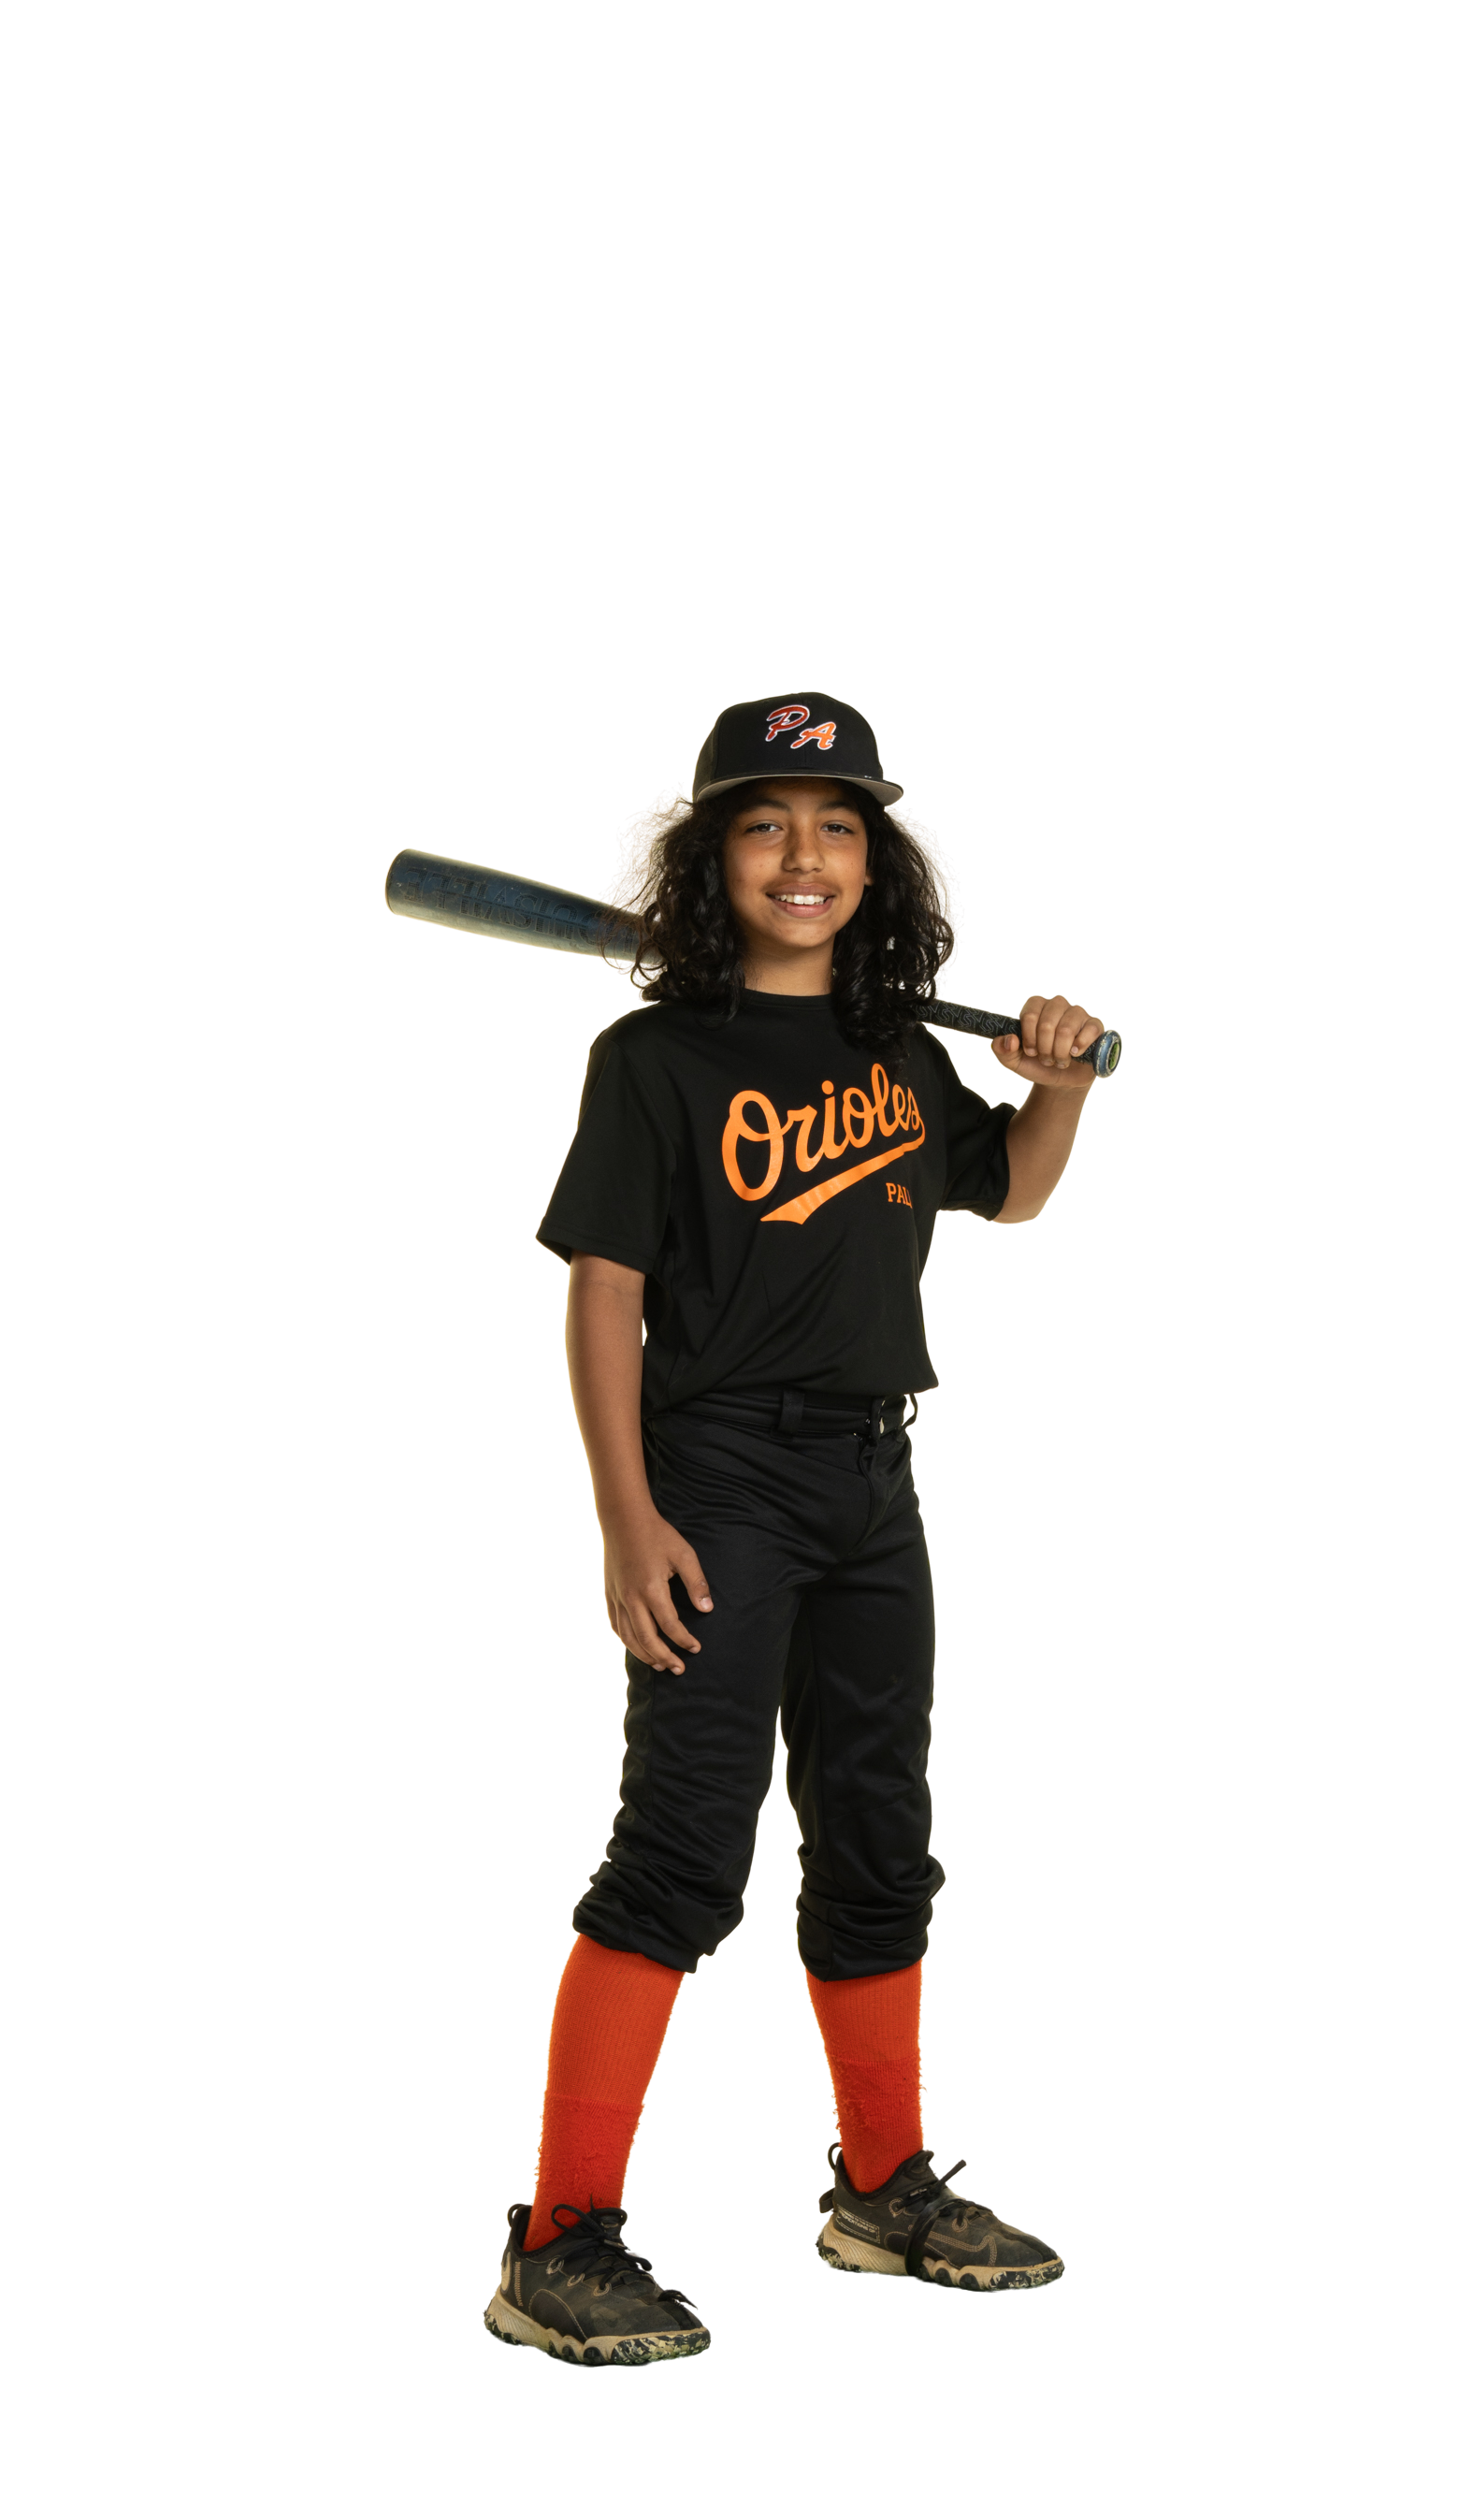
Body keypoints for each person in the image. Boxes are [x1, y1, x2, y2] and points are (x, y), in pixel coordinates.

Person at [482, 692, 1107, 2368]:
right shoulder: (652, 1060)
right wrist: (626, 1518)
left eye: (838, 826)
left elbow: (1012, 1189)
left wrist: (1054, 1085)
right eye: (762, 823)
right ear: (708, 862)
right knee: (684, 1851)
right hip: (717, 1479)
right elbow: (601, 1295)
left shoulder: (900, 1051)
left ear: (881, 863)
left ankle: (884, 2186)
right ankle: (557, 2237)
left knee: (884, 1841)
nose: (803, 853)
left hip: (877, 1483)